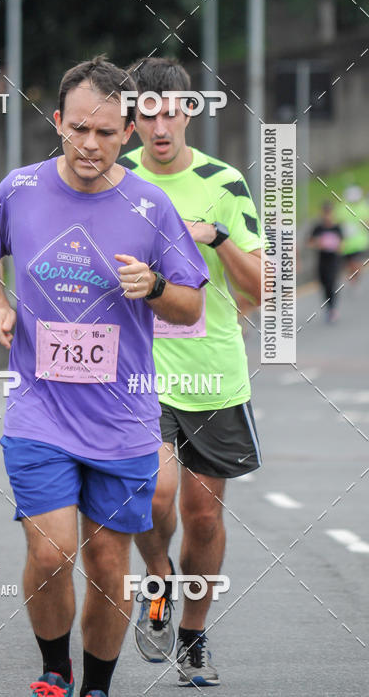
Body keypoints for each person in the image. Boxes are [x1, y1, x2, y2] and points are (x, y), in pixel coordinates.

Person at [0, 56, 208, 697]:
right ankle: (55, 670)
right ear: (58, 122)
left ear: (127, 132)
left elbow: (192, 302)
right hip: (39, 410)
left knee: (108, 564)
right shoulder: (19, 189)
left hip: (123, 418)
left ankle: (97, 685)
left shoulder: (152, 206)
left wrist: (154, 286)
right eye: (77, 128)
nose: (88, 144)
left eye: (104, 132)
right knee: (51, 555)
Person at [119, 57, 263, 687]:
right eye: (147, 112)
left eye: (172, 109)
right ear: (134, 119)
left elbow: (260, 292)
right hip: (136, 374)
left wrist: (220, 236)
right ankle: (158, 583)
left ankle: (194, 636)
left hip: (213, 373)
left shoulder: (224, 180)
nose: (161, 123)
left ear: (188, 111)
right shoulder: (114, 179)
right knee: (153, 494)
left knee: (203, 517)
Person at [308, 202, 343, 322]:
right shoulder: (318, 228)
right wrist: (318, 243)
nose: (327, 215)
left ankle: (332, 309)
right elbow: (309, 243)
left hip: (333, 260)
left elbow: (342, 244)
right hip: (322, 260)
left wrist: (335, 245)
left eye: (329, 213)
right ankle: (328, 306)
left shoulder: (337, 227)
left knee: (331, 283)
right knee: (323, 284)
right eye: (325, 213)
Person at [335, 185, 369, 286]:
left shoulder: (363, 207)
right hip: (346, 244)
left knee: (354, 262)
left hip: (360, 242)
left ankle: (355, 277)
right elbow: (338, 222)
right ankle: (354, 276)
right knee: (349, 264)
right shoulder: (341, 208)